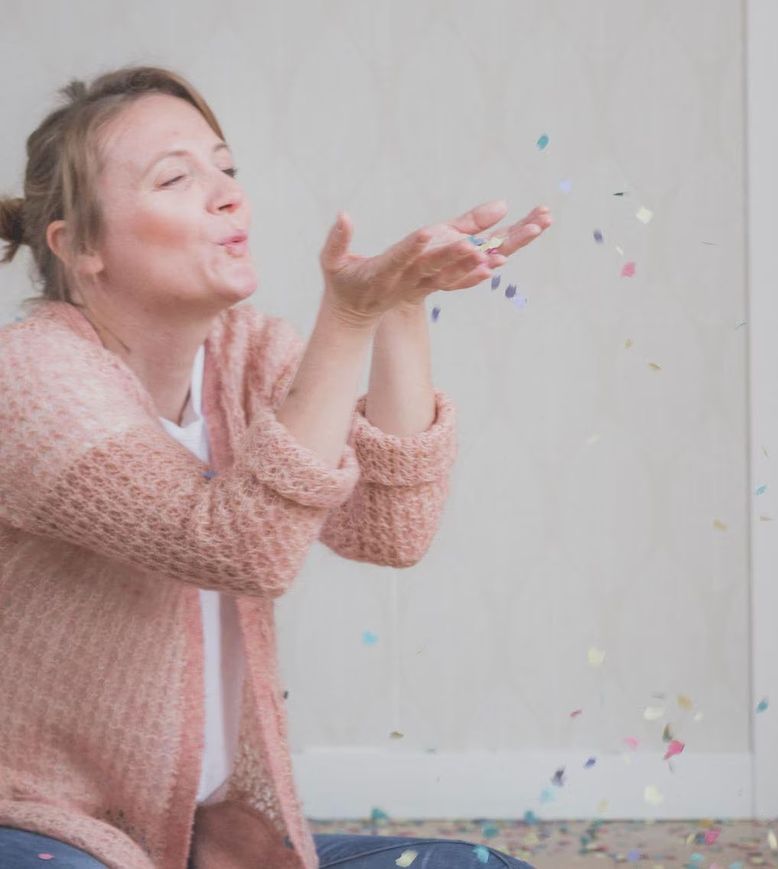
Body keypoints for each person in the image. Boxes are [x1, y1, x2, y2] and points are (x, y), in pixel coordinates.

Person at [0, 67, 549, 868]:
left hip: (191, 829)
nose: (226, 195)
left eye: (226, 168)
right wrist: (348, 316)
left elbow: (389, 528)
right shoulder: (29, 375)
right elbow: (237, 546)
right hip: (36, 823)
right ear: (80, 247)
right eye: (176, 177)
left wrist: (398, 311)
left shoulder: (245, 352)